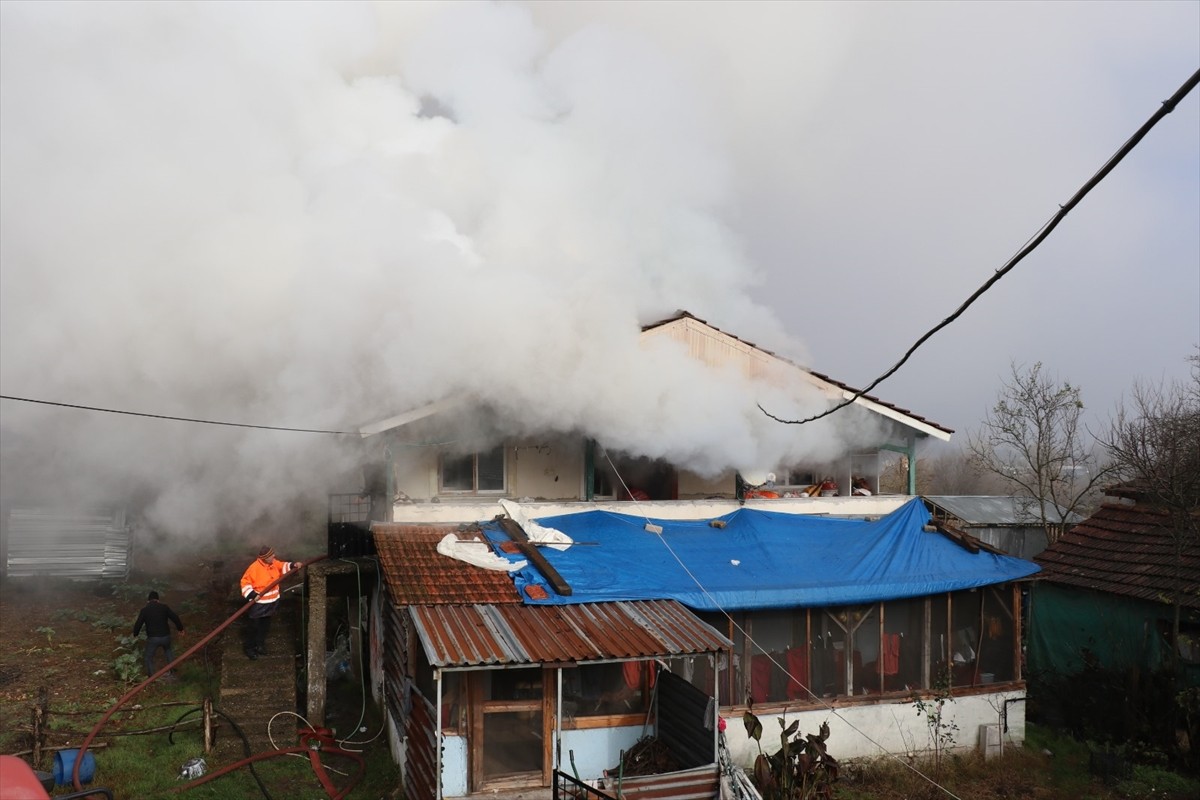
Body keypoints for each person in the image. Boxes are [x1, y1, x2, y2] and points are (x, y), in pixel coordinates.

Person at [240, 545, 302, 660]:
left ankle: (260, 645)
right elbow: (245, 582)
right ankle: (250, 648)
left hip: (271, 602)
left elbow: (282, 566)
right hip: (259, 603)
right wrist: (253, 595)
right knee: (254, 626)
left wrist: (293, 565)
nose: (274, 556)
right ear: (265, 558)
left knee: (265, 626)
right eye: (271, 555)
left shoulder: (273, 563)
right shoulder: (254, 568)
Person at [132, 590, 185, 677]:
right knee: (168, 651)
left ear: (148, 601)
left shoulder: (145, 610)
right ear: (158, 600)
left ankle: (151, 677)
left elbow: (139, 623)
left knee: (148, 657)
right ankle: (172, 672)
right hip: (166, 637)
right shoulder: (164, 607)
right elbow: (175, 617)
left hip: (153, 638)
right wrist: (180, 629)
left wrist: (135, 634)